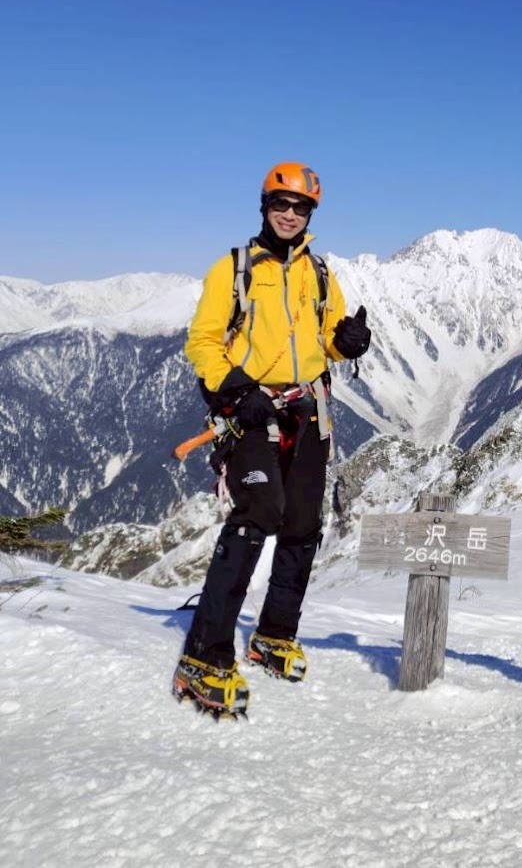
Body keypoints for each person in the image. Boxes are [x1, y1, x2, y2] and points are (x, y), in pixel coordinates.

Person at [172, 162, 371, 717]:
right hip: (251, 411)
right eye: (281, 204)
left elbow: (326, 340)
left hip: (307, 409)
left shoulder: (320, 274)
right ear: (264, 207)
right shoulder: (234, 270)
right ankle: (205, 653)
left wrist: (346, 343)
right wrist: (237, 388)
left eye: (300, 207)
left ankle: (275, 634)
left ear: (311, 214)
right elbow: (203, 342)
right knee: (258, 512)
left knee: (303, 523)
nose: (289, 214)